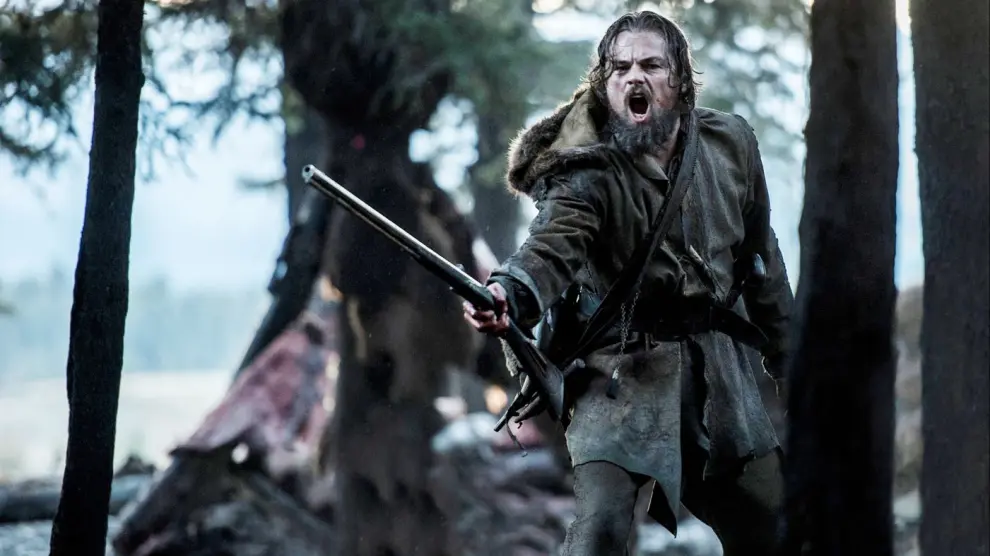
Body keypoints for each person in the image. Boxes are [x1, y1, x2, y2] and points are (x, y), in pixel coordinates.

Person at [462, 10, 795, 556]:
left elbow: (762, 263)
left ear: (680, 81)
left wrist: (791, 363)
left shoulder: (731, 143)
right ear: (605, 84)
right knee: (600, 534)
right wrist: (512, 294)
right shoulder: (586, 170)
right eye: (620, 68)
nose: (634, 76)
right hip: (617, 378)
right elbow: (549, 248)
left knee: (777, 533)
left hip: (719, 382)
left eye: (651, 65)